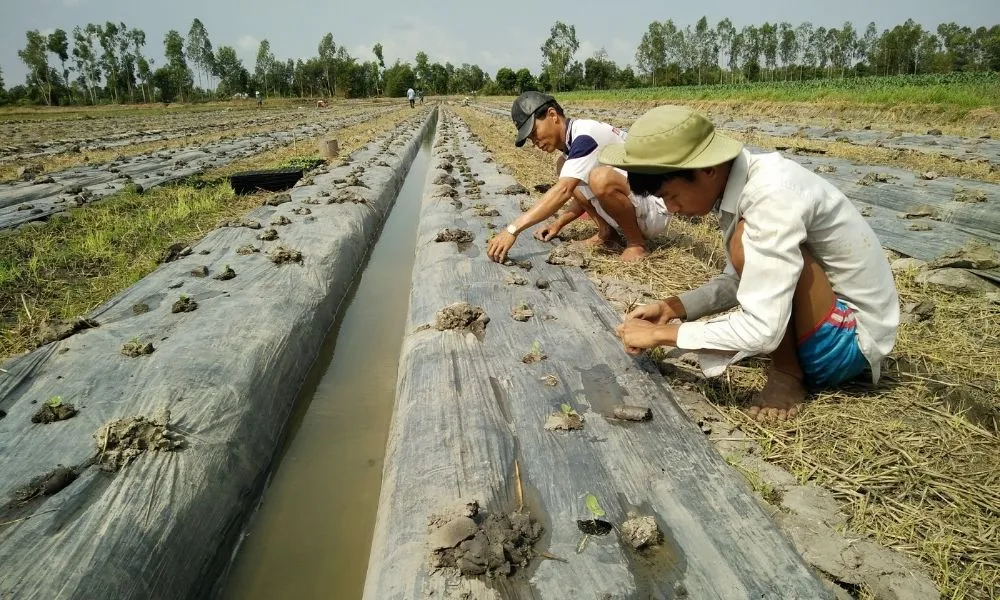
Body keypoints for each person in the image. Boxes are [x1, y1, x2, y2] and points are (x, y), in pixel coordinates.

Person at [602, 105, 899, 421]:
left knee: (744, 242)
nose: (672, 209)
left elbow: (763, 329)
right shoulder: (742, 184)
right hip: (829, 321)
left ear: (707, 170)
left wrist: (662, 335)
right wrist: (672, 308)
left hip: (849, 344)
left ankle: (787, 372)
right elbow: (740, 277)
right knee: (746, 247)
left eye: (672, 196)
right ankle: (790, 363)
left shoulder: (771, 195)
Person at [485, 91, 670, 264]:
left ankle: (636, 244)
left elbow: (564, 191)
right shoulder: (571, 145)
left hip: (655, 208)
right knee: (565, 168)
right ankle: (607, 233)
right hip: (637, 205)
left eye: (534, 133)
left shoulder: (585, 135)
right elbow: (581, 192)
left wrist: (512, 230)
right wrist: (559, 224)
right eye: (531, 139)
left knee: (600, 178)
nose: (535, 142)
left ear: (552, 115)